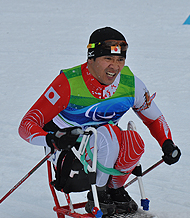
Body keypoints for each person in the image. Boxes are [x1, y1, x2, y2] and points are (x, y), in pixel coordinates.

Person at [18, 27, 181, 216]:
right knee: (109, 133)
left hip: (105, 154)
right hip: (69, 158)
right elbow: (26, 125)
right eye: (108, 59)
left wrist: (167, 143)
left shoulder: (130, 84)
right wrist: (52, 139)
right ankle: (99, 195)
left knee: (134, 141)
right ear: (91, 59)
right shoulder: (68, 83)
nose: (115, 66)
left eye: (120, 59)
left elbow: (154, 119)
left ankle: (115, 190)